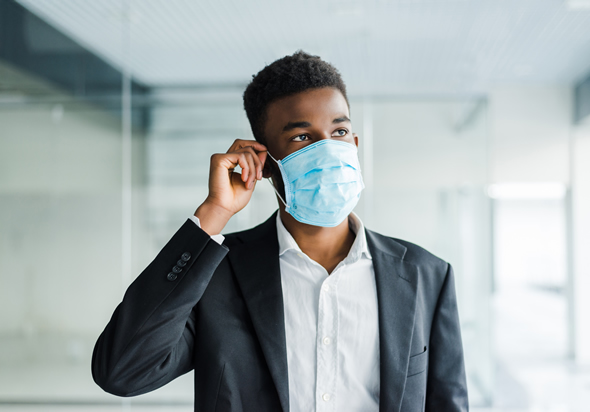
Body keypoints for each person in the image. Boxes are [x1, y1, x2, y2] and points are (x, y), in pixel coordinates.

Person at [92, 50, 468, 411]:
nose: (327, 150)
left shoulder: (426, 275)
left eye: (339, 131)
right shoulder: (218, 274)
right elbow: (122, 371)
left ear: (354, 145)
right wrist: (214, 213)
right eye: (302, 137)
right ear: (266, 163)